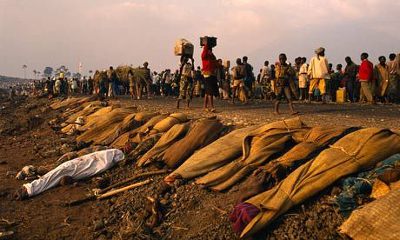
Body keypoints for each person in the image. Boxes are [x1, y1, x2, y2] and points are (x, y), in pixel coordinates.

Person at [201, 42, 219, 112]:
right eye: (209, 50)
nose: (210, 52)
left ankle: (205, 107)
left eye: (211, 50)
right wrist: (206, 45)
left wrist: (212, 54)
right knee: (210, 91)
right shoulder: (204, 56)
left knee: (207, 92)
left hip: (212, 75)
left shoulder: (212, 57)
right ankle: (212, 107)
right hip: (207, 75)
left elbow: (215, 61)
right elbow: (204, 52)